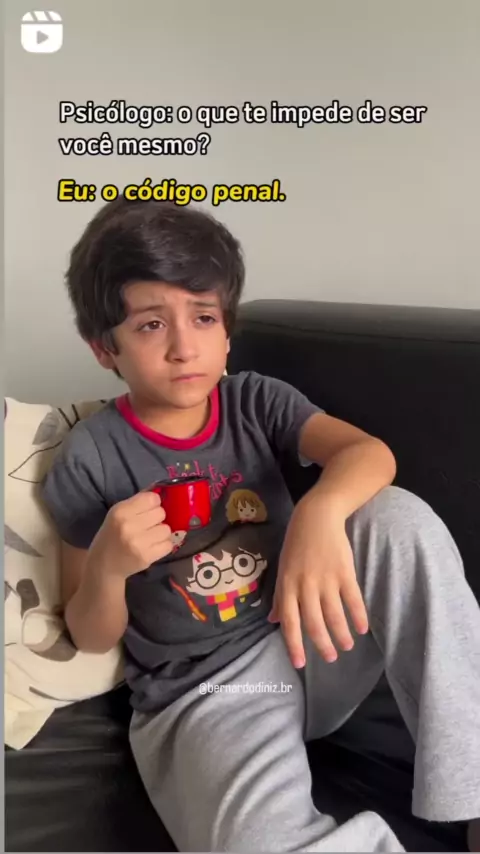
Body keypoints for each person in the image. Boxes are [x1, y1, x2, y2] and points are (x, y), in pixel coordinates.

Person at [42, 198, 480, 853]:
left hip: (312, 637)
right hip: (207, 692)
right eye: (151, 324)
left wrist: (319, 513)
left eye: (203, 316)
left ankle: (473, 795)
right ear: (105, 348)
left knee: (395, 517)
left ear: (228, 328)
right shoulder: (90, 457)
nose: (184, 347)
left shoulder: (254, 400)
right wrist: (107, 565)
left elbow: (369, 454)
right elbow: (86, 631)